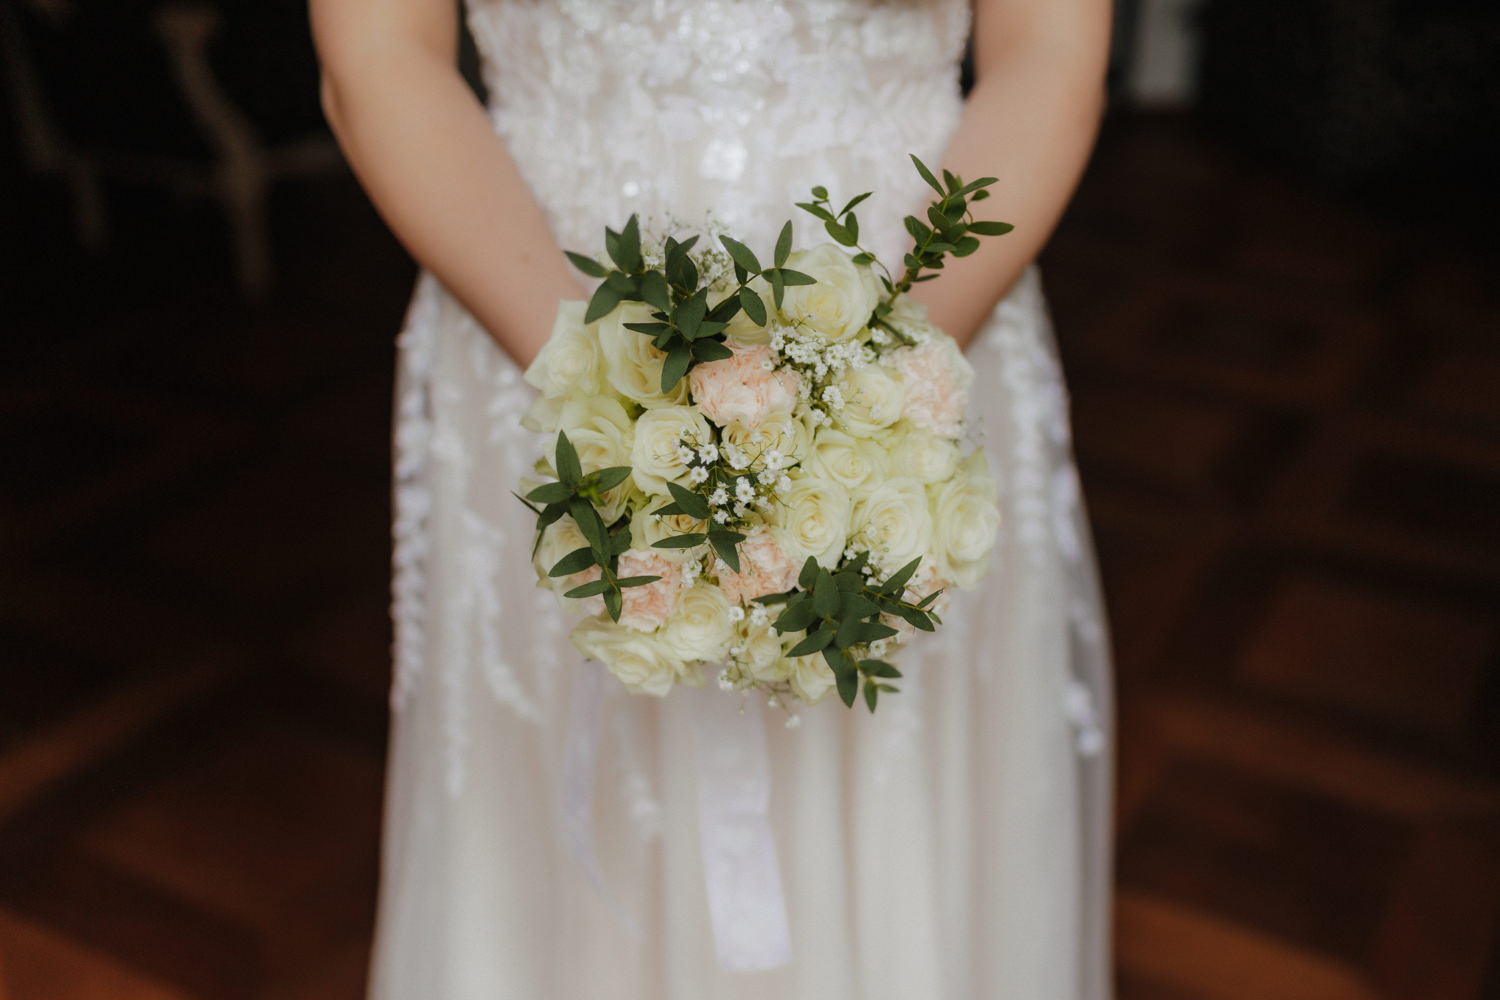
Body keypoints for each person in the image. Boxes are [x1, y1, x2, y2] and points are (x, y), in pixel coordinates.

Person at [310, 1, 1114, 997]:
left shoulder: (895, 366)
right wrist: (598, 382)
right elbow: (379, 54)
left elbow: (1049, 49)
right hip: (529, 295)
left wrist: (861, 394)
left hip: (926, 300)